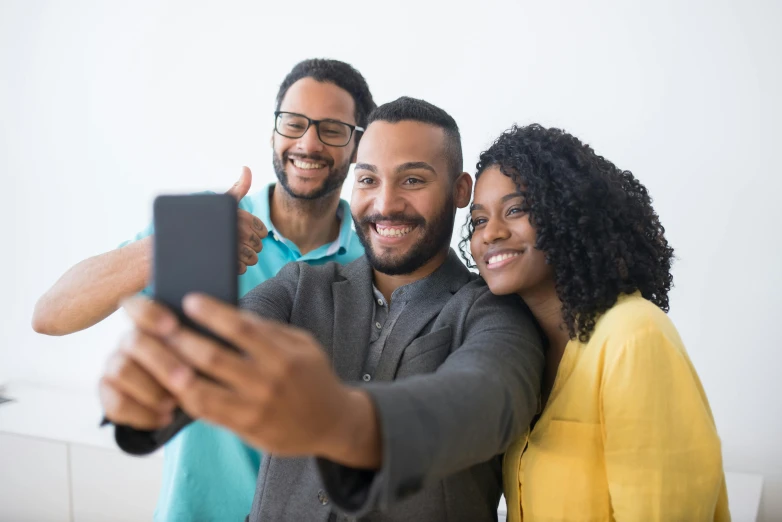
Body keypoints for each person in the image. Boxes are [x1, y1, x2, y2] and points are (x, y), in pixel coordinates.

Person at [99, 97, 545, 521]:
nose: (385, 204)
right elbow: (229, 343)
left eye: (412, 180)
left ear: (459, 189)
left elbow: (484, 402)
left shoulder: (494, 312)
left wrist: (339, 417)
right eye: (369, 179)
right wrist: (158, 383)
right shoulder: (299, 285)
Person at [34, 58, 375, 522]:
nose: (308, 142)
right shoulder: (202, 227)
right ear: (274, 131)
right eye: (293, 123)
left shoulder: (376, 256)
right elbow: (50, 315)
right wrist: (179, 244)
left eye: (333, 129)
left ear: (358, 145)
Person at [464, 124, 730, 521]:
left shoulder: (633, 335)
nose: (491, 234)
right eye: (478, 220)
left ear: (567, 212)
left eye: (516, 209)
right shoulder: (526, 350)